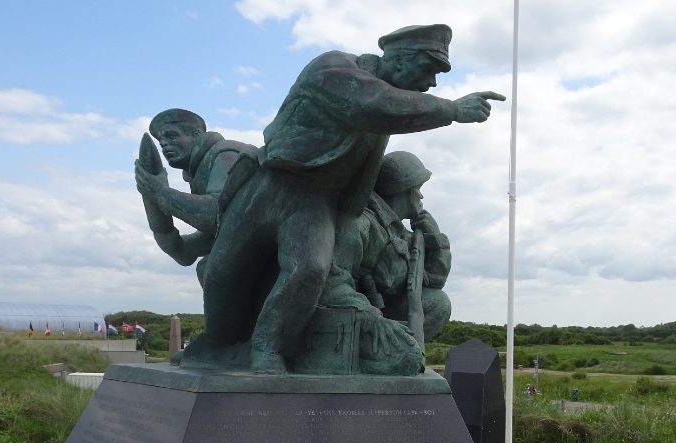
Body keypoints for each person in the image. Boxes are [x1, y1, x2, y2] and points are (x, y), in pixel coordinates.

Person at [187, 24, 505, 374]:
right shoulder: (333, 69)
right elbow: (375, 104)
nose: (431, 84)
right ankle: (216, 346)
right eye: (428, 71)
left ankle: (267, 350)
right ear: (399, 60)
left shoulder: (383, 110)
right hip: (269, 186)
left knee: (309, 270)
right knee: (222, 274)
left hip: (313, 202)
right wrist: (451, 110)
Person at [315, 151, 451, 375]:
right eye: (418, 188)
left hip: (380, 315)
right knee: (407, 359)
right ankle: (364, 359)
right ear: (403, 190)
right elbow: (332, 280)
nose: (421, 197)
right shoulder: (361, 223)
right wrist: (370, 316)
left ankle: (380, 355)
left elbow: (434, 281)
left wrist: (436, 240)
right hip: (352, 317)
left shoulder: (402, 234)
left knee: (438, 303)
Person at [134, 109, 257, 283]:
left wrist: (159, 192)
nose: (164, 145)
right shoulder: (198, 172)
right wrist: (153, 200)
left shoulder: (226, 153)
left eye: (172, 136)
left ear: (196, 134)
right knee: (211, 269)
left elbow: (215, 213)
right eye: (161, 142)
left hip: (273, 247)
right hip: (249, 243)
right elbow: (184, 253)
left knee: (214, 269)